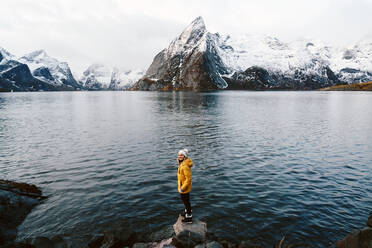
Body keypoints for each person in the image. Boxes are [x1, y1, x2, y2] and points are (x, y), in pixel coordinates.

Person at [177, 148, 193, 223]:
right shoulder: (182, 163)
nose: (179, 156)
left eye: (181, 155)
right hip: (183, 187)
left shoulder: (185, 166)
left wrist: (183, 188)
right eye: (179, 155)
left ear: (185, 156)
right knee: (186, 201)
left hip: (184, 188)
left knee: (186, 202)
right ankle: (187, 212)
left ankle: (189, 217)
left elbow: (188, 179)